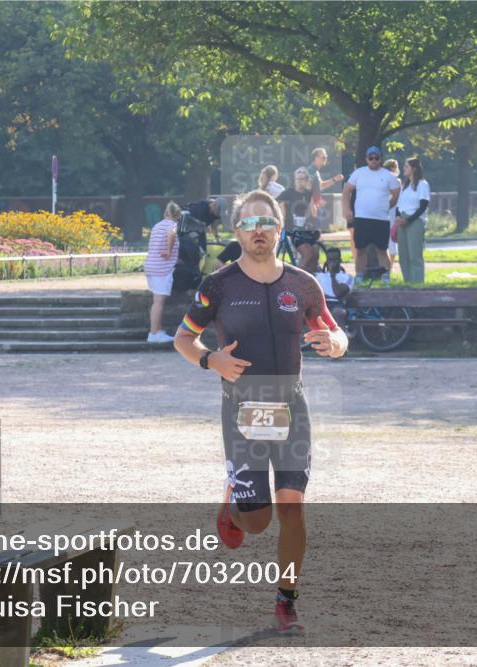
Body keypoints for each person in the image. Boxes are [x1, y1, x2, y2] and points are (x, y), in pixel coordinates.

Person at [173, 189, 348, 634]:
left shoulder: (303, 285)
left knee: (293, 507)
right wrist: (212, 359)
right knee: (257, 522)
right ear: (237, 231)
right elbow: (183, 339)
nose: (258, 232)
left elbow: (335, 333)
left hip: (292, 405)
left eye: (266, 223)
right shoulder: (218, 284)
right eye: (249, 225)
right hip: (242, 410)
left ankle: (286, 601)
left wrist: (336, 344)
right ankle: (234, 504)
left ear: (279, 226)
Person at [342, 146, 400, 284]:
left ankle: (386, 277)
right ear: (366, 159)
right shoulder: (359, 173)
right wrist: (347, 209)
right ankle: (360, 277)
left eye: (376, 158)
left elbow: (396, 192)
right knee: (360, 249)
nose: (374, 160)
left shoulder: (388, 175)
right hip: (362, 218)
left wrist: (388, 206)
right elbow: (347, 190)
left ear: (380, 159)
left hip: (381, 219)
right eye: (371, 158)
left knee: (382, 249)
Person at [172, 198, 227, 292]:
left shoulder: (214, 213)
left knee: (201, 248)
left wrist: (217, 237)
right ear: (213, 205)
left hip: (196, 227)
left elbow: (213, 224)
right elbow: (199, 229)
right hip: (185, 224)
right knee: (194, 248)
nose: (217, 213)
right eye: (216, 210)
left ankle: (197, 272)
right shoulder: (202, 209)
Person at [145, 202, 181, 342]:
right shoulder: (172, 226)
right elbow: (171, 234)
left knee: (156, 302)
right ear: (177, 215)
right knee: (159, 302)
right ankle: (153, 334)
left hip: (151, 266)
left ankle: (158, 330)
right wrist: (169, 251)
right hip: (162, 269)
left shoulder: (157, 226)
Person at [277, 167, 321, 273]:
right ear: (294, 180)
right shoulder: (288, 193)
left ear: (306, 181)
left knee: (315, 253)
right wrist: (282, 211)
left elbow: (313, 212)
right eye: (298, 178)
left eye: (302, 179)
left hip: (306, 228)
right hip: (292, 229)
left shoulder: (309, 193)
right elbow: (275, 203)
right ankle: (297, 277)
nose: (300, 181)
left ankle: (312, 278)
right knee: (308, 253)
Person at [395, 158, 431, 283]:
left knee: (414, 255)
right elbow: (398, 206)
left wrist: (409, 220)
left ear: (414, 168)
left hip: (414, 221)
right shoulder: (404, 186)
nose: (404, 168)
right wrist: (398, 217)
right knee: (403, 255)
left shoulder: (422, 184)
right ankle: (408, 282)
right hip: (402, 221)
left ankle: (418, 283)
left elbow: (423, 206)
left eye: (406, 166)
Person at [314, 246, 353, 331]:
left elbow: (338, 293)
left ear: (340, 260)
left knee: (338, 312)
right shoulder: (320, 276)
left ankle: (341, 338)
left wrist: (332, 276)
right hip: (323, 303)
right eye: (330, 260)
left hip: (337, 304)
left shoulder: (347, 277)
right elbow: (315, 292)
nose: (332, 263)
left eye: (335, 259)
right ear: (327, 261)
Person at [383, 158, 402, 279]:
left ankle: (387, 268)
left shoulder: (381, 179)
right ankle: (389, 268)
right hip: (392, 213)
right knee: (392, 244)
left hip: (384, 213)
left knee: (386, 243)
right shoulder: (396, 181)